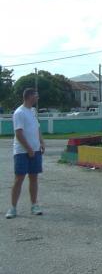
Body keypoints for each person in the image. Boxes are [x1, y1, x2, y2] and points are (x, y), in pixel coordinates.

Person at [5, 88, 45, 219]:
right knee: (19, 179)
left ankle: (34, 205)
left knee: (34, 178)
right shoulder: (19, 112)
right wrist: (28, 149)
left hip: (35, 150)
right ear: (29, 97)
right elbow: (19, 133)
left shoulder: (32, 111)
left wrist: (42, 142)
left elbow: (37, 128)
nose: (37, 98)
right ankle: (13, 208)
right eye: (36, 96)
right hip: (22, 151)